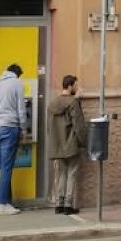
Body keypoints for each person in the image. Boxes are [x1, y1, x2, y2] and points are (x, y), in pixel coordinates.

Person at [0, 62, 28, 215]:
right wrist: (24, 128)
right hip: (9, 127)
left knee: (3, 167)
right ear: (17, 74)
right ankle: (2, 204)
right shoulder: (17, 84)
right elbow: (21, 109)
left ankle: (7, 201)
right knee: (6, 167)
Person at [48, 74, 87, 215]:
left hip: (57, 144)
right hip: (71, 144)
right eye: (76, 85)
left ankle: (59, 204)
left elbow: (49, 127)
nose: (77, 88)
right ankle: (68, 205)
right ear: (70, 86)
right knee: (72, 173)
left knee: (61, 174)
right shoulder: (73, 103)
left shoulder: (52, 104)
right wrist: (83, 141)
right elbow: (79, 125)